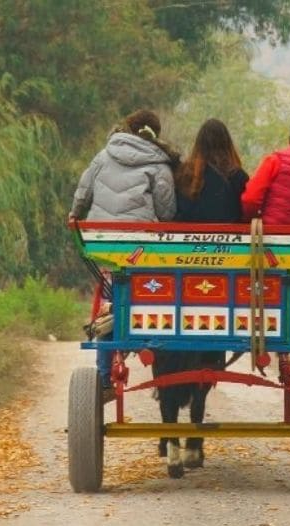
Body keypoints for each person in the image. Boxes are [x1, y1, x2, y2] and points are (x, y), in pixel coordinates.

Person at [153, 118, 248, 472]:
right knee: (212, 349)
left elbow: (171, 215)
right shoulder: (237, 177)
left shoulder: (183, 175)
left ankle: (172, 443)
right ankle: (194, 440)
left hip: (180, 276)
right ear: (227, 142)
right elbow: (246, 217)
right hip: (224, 281)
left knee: (167, 350)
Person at [68, 109, 179, 399]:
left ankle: (105, 378)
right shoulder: (159, 165)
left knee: (111, 304)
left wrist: (75, 214)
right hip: (142, 250)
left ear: (127, 128)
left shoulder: (104, 155)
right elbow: (167, 212)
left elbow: (83, 192)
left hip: (106, 246)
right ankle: (161, 370)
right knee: (156, 298)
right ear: (156, 134)